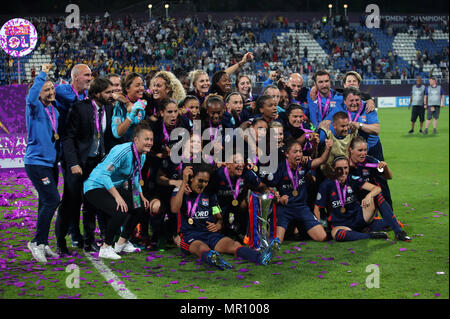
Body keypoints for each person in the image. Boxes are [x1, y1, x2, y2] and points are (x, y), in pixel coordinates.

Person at [170, 164, 278, 270]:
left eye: (206, 181)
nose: (203, 184)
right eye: (200, 180)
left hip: (209, 234)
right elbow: (174, 209)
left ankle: (261, 257)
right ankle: (213, 259)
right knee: (201, 247)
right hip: (190, 235)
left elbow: (219, 216)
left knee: (233, 244)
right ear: (191, 179)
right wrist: (184, 182)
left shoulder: (209, 195)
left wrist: (218, 225)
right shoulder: (180, 191)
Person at [56, 77, 117, 255]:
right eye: (107, 92)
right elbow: (68, 138)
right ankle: (60, 242)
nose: (110, 95)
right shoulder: (80, 108)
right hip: (78, 163)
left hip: (97, 163)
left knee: (92, 202)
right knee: (70, 203)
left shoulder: (109, 109)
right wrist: (73, 163)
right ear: (97, 93)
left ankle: (89, 241)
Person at [83, 122, 153, 260]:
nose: (149, 142)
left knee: (139, 206)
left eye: (151, 139)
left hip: (112, 187)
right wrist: (118, 197)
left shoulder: (142, 155)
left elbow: (136, 176)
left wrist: (141, 195)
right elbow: (104, 174)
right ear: (136, 140)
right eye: (146, 139)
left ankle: (121, 243)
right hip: (96, 186)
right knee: (120, 209)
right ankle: (106, 247)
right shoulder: (123, 151)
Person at [314, 156, 411, 242]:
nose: (343, 171)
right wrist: (319, 228)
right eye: (339, 168)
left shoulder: (352, 179)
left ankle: (398, 233)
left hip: (359, 218)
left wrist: (368, 196)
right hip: (341, 224)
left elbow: (377, 189)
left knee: (376, 195)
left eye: (345, 168)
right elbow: (317, 208)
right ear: (333, 169)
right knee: (335, 234)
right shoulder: (326, 185)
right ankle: (370, 235)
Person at [24, 63, 61, 263]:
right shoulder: (35, 107)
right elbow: (31, 96)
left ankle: (44, 243)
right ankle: (36, 242)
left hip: (50, 163)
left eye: (51, 88)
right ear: (39, 93)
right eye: (46, 90)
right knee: (53, 200)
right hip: (36, 162)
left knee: (44, 202)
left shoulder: (54, 112)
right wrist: (43, 74)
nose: (50, 92)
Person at [266, 138, 334, 243]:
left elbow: (321, 160)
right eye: (295, 152)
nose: (299, 154)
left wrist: (328, 149)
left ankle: (298, 228)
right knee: (276, 241)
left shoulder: (303, 164)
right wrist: (278, 199)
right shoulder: (279, 168)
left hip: (301, 207)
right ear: (287, 154)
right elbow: (269, 189)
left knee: (322, 237)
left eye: (300, 151)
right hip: (284, 209)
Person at [341, 87, 384, 160]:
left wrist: (359, 125)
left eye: (357, 100)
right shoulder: (340, 108)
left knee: (378, 170)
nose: (354, 103)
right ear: (345, 101)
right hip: (349, 151)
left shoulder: (368, 107)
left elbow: (376, 130)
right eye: (351, 100)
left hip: (371, 149)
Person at [318, 111, 359, 178]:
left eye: (347, 125)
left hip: (346, 175)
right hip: (327, 176)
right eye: (342, 126)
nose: (346, 129)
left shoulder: (353, 134)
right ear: (334, 126)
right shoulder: (325, 134)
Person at [111, 72, 147, 142]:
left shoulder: (141, 104)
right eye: (137, 85)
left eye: (142, 85)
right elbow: (117, 134)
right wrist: (130, 116)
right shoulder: (119, 105)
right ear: (127, 88)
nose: (142, 88)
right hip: (121, 147)